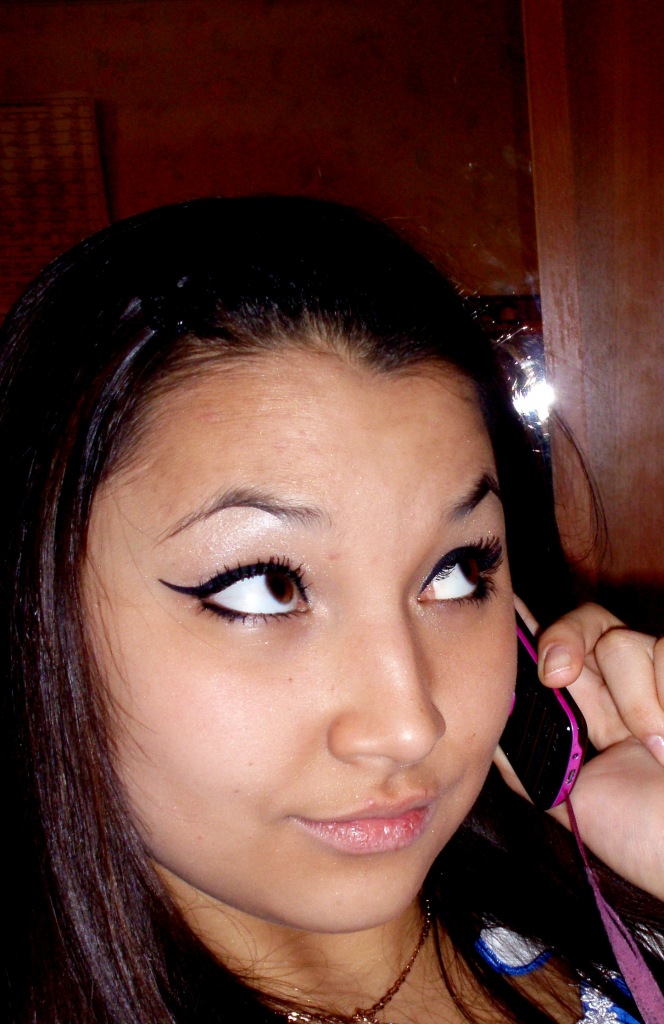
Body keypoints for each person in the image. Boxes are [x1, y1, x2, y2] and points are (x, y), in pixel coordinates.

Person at [1, 196, 662, 1024]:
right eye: (264, 587)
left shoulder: (613, 904)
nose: (407, 726)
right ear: (38, 615)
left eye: (457, 573)